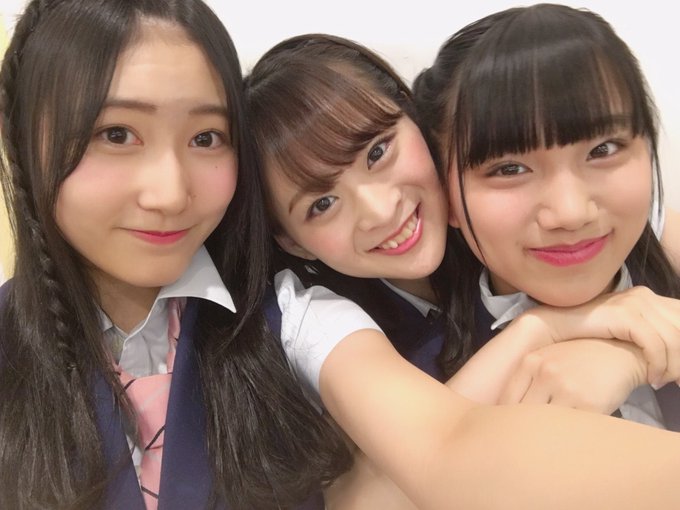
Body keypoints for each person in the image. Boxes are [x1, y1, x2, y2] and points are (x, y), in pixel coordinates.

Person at [246, 32, 680, 509]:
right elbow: (408, 473)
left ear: (415, 119)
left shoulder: (514, 205)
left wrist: (627, 358)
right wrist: (548, 328)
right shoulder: (314, 314)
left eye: (377, 152)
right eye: (323, 204)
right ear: (290, 240)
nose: (379, 210)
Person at [0, 1, 346, 508]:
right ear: (24, 142)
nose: (170, 194)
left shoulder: (289, 324)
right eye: (116, 134)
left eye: (206, 138)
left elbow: (444, 445)